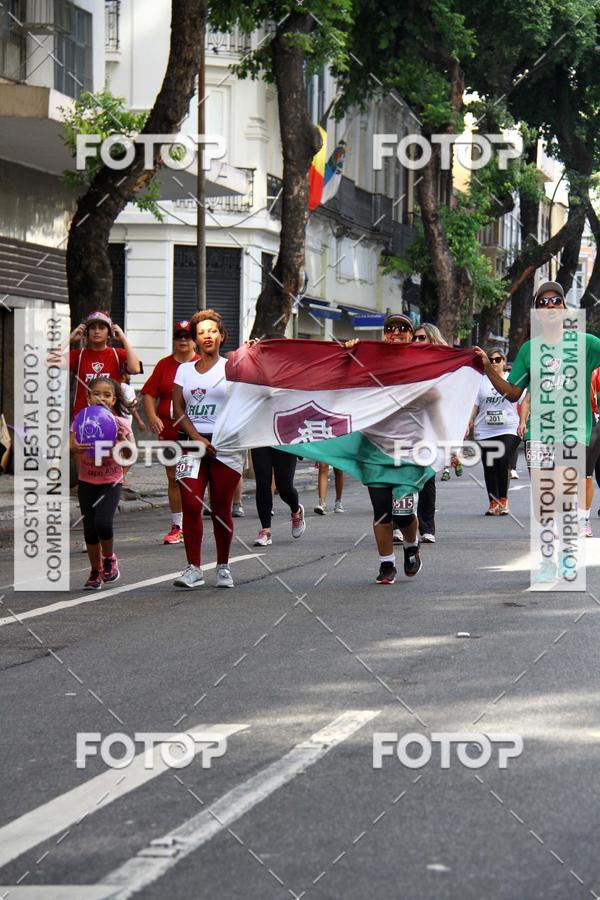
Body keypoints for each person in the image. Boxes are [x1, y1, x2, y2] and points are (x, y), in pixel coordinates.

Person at [474, 280, 600, 580]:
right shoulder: (530, 349)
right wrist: (488, 368)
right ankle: (547, 561)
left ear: (564, 307)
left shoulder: (586, 343)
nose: (550, 306)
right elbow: (514, 392)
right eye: (542, 303)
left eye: (556, 300)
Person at [171, 309, 243, 589]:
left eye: (212, 331)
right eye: (201, 333)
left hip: (225, 445)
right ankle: (193, 568)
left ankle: (223, 567)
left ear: (222, 336)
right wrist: (195, 437)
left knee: (221, 509)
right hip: (191, 444)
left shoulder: (233, 367)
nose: (207, 336)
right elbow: (177, 409)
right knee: (190, 505)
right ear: (195, 340)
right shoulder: (184, 369)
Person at [348, 313, 422, 584]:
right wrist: (351, 352)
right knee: (381, 511)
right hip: (375, 448)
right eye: (390, 329)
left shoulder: (423, 363)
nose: (396, 333)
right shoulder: (371, 361)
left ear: (411, 335)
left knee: (402, 513)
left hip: (409, 449)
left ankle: (412, 544)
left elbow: (440, 396)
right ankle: (386, 564)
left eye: (403, 329)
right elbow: (345, 379)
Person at [69, 377, 134, 590]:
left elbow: (131, 455)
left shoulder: (120, 423)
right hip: (87, 481)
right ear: (88, 398)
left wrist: (123, 442)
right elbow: (71, 447)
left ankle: (109, 558)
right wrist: (75, 449)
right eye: (96, 394)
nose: (102, 398)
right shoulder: (80, 420)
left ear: (114, 400)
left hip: (110, 481)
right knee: (89, 529)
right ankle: (95, 571)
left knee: (103, 523)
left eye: (107, 395)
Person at [141, 321, 198, 544]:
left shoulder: (202, 364)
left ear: (194, 339)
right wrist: (153, 416)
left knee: (192, 478)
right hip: (168, 431)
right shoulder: (164, 365)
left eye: (187, 336)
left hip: (195, 432)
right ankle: (177, 526)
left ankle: (194, 522)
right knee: (174, 478)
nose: (183, 340)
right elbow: (148, 393)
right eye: (178, 336)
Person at [468, 347, 523, 516]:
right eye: (491, 360)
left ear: (504, 362)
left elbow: (525, 401)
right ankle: (493, 502)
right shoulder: (480, 381)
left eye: (497, 360)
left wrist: (524, 421)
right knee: (489, 465)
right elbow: (474, 405)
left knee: (502, 459)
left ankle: (503, 500)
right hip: (485, 430)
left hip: (509, 428)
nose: (494, 363)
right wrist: (469, 421)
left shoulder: (512, 379)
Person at [409, 323, 448, 542]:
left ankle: (427, 528)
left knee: (427, 478)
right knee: (399, 478)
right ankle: (399, 524)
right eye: (415, 338)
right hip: (404, 428)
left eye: (422, 338)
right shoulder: (405, 361)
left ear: (433, 339)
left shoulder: (445, 365)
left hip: (431, 429)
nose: (417, 341)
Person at [67, 311, 142, 418]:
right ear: (86, 332)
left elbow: (135, 368)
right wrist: (70, 338)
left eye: (102, 328)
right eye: (93, 328)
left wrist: (124, 338)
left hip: (110, 418)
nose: (97, 331)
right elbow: (49, 361)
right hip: (83, 417)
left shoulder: (118, 354)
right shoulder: (78, 355)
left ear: (109, 333)